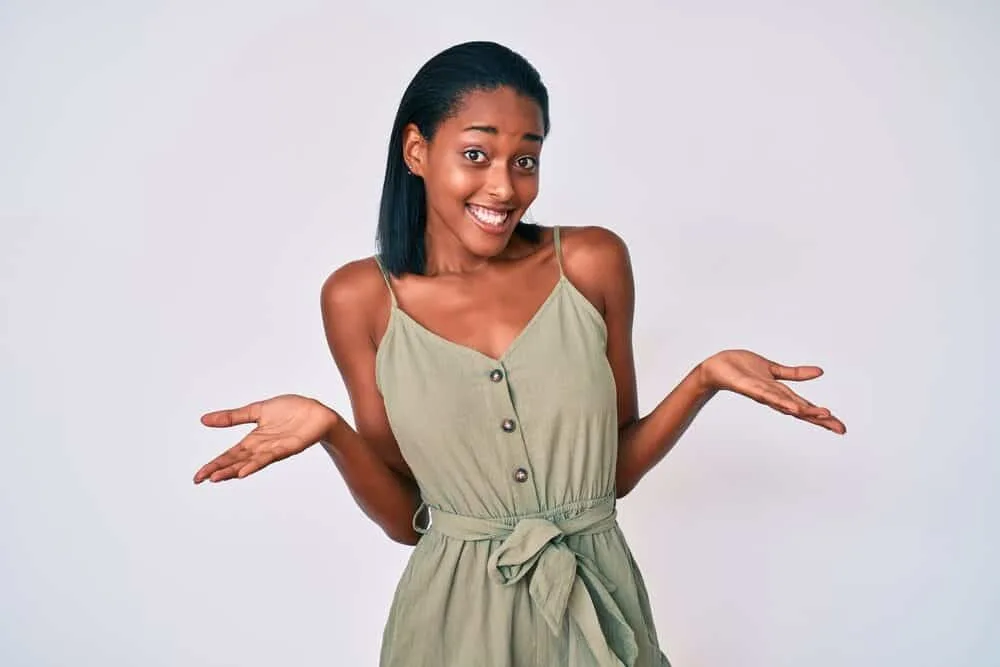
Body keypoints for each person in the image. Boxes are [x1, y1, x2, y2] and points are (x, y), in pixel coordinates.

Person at [193, 41, 846, 667]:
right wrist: (329, 429)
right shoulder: (359, 298)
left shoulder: (592, 263)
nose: (504, 187)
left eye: (525, 160)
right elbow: (409, 520)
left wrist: (703, 380)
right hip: (452, 625)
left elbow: (611, 475)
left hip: (597, 603)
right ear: (417, 150)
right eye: (476, 154)